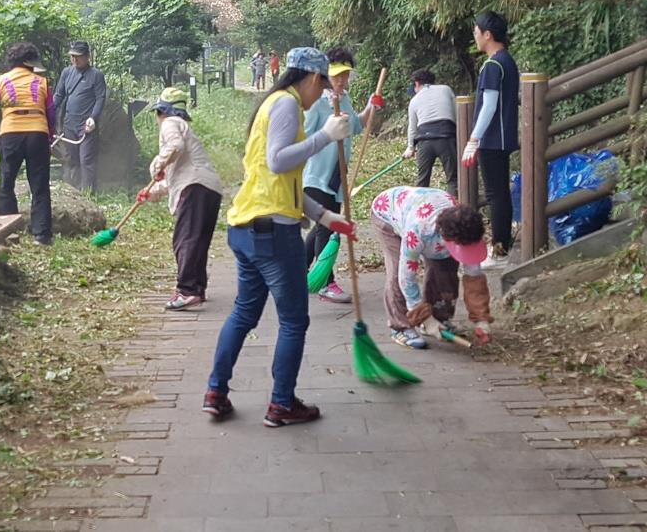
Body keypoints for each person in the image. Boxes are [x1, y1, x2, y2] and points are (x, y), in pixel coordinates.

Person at [205, 47, 356, 428]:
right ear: (309, 77)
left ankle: (215, 392)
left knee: (244, 313)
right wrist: (324, 135)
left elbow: (278, 179)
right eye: (322, 83)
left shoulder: (272, 104)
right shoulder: (287, 105)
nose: (321, 92)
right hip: (273, 234)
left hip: (245, 226)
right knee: (293, 321)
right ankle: (282, 404)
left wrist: (323, 215)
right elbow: (279, 160)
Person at [302, 48, 382, 304]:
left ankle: (298, 271)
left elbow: (357, 125)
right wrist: (329, 129)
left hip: (337, 178)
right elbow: (303, 136)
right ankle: (326, 282)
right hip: (316, 176)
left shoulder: (344, 98)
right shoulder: (317, 103)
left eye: (345, 75)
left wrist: (371, 106)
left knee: (321, 227)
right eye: (337, 76)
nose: (341, 81)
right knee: (328, 226)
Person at [370, 185, 494, 348]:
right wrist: (423, 317)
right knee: (396, 273)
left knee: (446, 268)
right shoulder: (418, 232)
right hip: (387, 213)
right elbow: (406, 278)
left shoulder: (467, 228)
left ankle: (439, 318)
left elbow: (474, 275)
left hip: (422, 207)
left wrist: (481, 319)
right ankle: (401, 326)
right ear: (448, 239)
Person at [140, 87, 225, 311]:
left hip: (195, 187)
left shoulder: (170, 123)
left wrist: (158, 164)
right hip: (209, 188)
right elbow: (174, 178)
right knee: (197, 241)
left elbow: (174, 147)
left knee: (185, 239)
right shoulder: (185, 129)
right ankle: (197, 288)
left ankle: (186, 290)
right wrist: (152, 191)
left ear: (161, 111)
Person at [461, 11, 520, 266]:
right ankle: (502, 245)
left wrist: (474, 139)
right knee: (500, 194)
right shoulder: (507, 60)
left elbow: (488, 105)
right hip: (503, 137)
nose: (475, 36)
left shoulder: (493, 64)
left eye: (476, 32)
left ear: (488, 34)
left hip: (493, 138)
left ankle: (500, 251)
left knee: (496, 195)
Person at [0, 42, 55, 245]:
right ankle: (42, 235)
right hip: (37, 133)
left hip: (11, 133)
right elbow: (51, 113)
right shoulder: (42, 82)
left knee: (6, 183)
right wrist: (50, 138)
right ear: (30, 63)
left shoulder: (0, 81)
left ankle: (8, 234)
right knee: (39, 185)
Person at [54, 40, 107, 194]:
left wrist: (93, 118)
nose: (75, 60)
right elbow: (59, 95)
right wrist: (47, 111)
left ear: (87, 56)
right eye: (72, 56)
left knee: (87, 160)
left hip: (86, 125)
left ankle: (88, 194)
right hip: (69, 123)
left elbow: (100, 98)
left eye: (78, 56)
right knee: (72, 159)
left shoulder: (96, 75)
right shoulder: (67, 73)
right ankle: (74, 192)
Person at [404, 69, 458, 191]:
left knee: (422, 181)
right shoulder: (446, 89)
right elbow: (456, 114)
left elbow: (412, 127)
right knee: (454, 179)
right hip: (446, 137)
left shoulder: (414, 100)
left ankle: (421, 208)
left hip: (424, 141)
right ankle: (455, 207)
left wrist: (410, 148)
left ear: (417, 83)